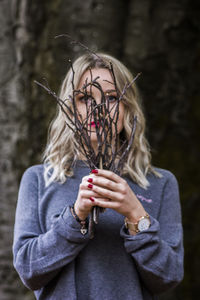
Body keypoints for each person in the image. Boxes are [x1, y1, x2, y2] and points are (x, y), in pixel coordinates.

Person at [13, 53, 184, 300]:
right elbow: (29, 271)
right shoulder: (39, 179)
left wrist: (136, 216)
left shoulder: (160, 183)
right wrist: (75, 216)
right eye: (85, 98)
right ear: (69, 107)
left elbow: (168, 277)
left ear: (128, 107)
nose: (99, 108)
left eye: (112, 97)